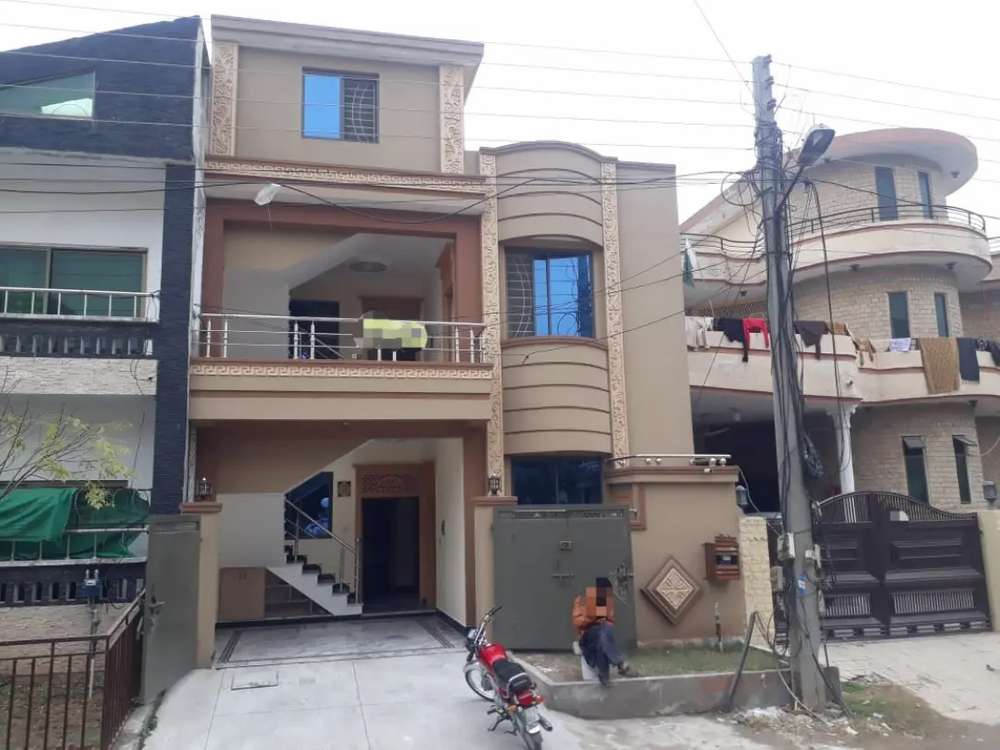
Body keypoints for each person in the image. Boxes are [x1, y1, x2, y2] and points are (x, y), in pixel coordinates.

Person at [571, 577, 635, 686]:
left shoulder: (605, 602)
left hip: (601, 634)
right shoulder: (581, 600)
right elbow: (577, 622)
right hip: (587, 636)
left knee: (603, 635)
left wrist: (602, 618)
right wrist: (592, 617)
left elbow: (610, 623)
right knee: (601, 633)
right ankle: (619, 663)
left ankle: (604, 675)